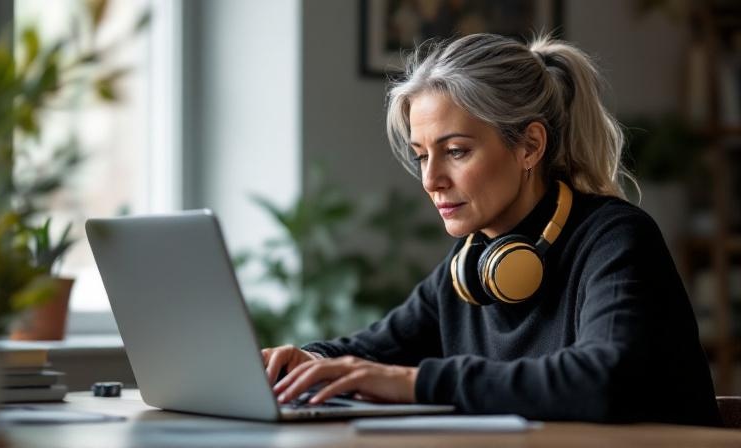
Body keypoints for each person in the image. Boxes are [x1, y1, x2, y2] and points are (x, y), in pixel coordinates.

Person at [261, 33, 721, 426]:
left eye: (456, 150)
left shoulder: (615, 238)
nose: (430, 179)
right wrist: (308, 361)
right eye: (422, 155)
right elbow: (369, 352)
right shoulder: (470, 264)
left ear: (529, 146)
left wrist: (413, 382)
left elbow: (603, 379)